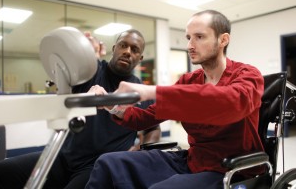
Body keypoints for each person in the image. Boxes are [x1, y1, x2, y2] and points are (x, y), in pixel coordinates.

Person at [85, 10, 265, 189]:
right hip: (192, 161)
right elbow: (145, 119)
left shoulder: (247, 75)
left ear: (223, 40)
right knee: (108, 163)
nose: (190, 45)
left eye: (199, 37)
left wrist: (150, 91)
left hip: (230, 169)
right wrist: (112, 105)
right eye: (189, 38)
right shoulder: (188, 81)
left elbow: (230, 103)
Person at [0, 29, 161, 189]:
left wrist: (140, 151)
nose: (127, 51)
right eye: (123, 45)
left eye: (134, 49)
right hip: (64, 156)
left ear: (140, 58)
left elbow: (153, 129)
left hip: (98, 166)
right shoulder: (90, 70)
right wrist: (82, 48)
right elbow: (65, 73)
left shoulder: (140, 92)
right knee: (0, 172)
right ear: (114, 48)